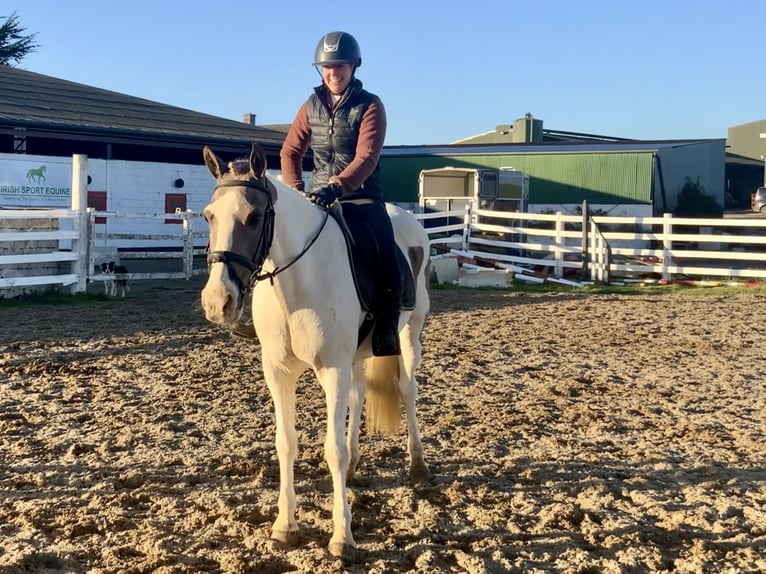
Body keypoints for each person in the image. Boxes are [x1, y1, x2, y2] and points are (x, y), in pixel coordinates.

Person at [280, 31, 402, 356]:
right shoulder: (310, 106)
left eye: (340, 66)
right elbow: (290, 151)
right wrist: (295, 191)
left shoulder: (371, 105)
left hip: (360, 197)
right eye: (327, 67)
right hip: (319, 199)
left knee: (386, 252)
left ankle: (387, 325)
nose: (333, 73)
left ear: (353, 66)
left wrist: (338, 185)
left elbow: (367, 157)